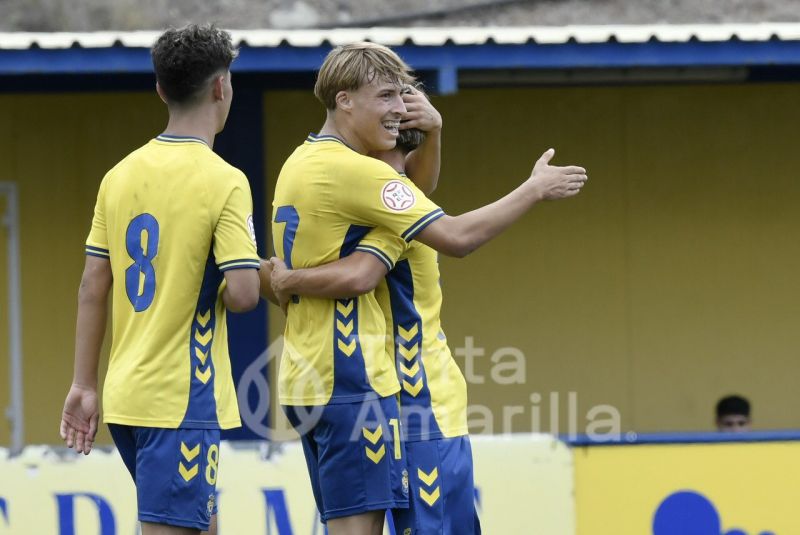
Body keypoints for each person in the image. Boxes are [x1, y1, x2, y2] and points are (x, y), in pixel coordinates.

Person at [270, 42, 586, 535]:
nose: (398, 112)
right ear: (345, 100)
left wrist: (287, 279)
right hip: (392, 387)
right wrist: (534, 188)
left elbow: (414, 192)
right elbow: (447, 239)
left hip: (308, 377)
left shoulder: (302, 162)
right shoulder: (362, 178)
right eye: (386, 99)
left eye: (403, 101)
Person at [59, 24, 260, 535]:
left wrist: (84, 383)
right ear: (221, 87)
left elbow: (92, 286)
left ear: (160, 90)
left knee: (200, 524)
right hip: (181, 399)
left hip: (127, 394)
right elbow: (243, 294)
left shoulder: (120, 174)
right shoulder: (225, 179)